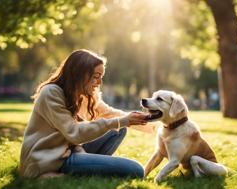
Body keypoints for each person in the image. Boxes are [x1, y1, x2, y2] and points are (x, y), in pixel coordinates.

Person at [19, 49, 157, 179]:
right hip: (50, 158)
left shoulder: (83, 95)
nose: (99, 82)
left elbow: (110, 114)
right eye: (96, 76)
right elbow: (74, 133)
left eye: (101, 77)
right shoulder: (51, 93)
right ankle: (57, 174)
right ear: (80, 74)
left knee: (118, 131)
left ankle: (86, 169)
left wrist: (155, 128)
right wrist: (121, 121)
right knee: (136, 170)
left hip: (71, 149)